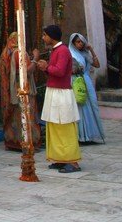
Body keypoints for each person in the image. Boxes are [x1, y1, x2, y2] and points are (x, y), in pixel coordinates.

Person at [35, 24, 81, 173]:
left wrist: (46, 67)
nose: (43, 38)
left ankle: (73, 162)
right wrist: (46, 68)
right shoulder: (56, 50)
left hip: (61, 93)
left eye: (45, 35)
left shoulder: (62, 51)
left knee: (65, 126)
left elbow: (60, 71)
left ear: (52, 36)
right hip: (54, 91)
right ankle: (60, 159)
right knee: (54, 125)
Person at [0, 31, 41, 152]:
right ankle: (25, 142)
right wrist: (35, 59)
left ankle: (14, 141)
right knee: (25, 113)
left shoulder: (7, 52)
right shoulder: (18, 53)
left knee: (17, 114)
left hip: (15, 87)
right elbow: (26, 70)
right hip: (23, 86)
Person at [68, 33, 105, 144]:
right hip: (75, 82)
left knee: (90, 106)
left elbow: (97, 65)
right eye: (77, 42)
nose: (80, 44)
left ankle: (90, 134)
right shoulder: (70, 54)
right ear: (73, 43)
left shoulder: (84, 54)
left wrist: (91, 51)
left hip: (86, 82)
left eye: (81, 42)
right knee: (79, 107)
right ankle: (80, 135)